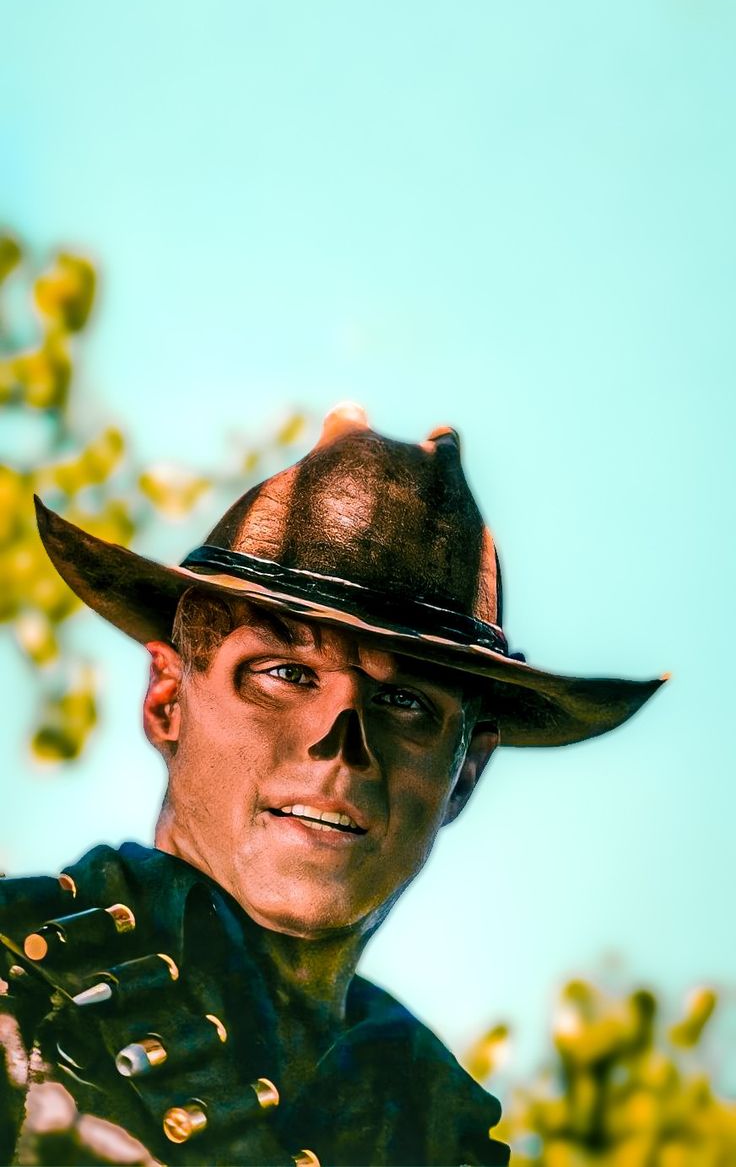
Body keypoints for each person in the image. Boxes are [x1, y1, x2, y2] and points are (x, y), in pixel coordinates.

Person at [0, 404, 665, 1166]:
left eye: (406, 702)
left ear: (464, 776)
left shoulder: (433, 1125)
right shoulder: (19, 996)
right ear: (167, 699)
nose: (342, 744)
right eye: (285, 673)